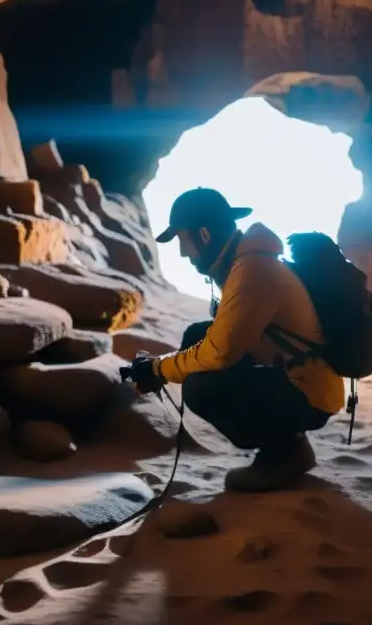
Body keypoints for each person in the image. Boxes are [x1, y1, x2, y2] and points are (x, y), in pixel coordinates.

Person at [128, 187, 345, 492]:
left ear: (203, 235)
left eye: (182, 240)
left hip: (308, 392)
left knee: (202, 387)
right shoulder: (242, 265)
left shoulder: (253, 271)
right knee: (196, 336)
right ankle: (288, 442)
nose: (182, 253)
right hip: (296, 375)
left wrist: (158, 369)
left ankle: (284, 453)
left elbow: (220, 353)